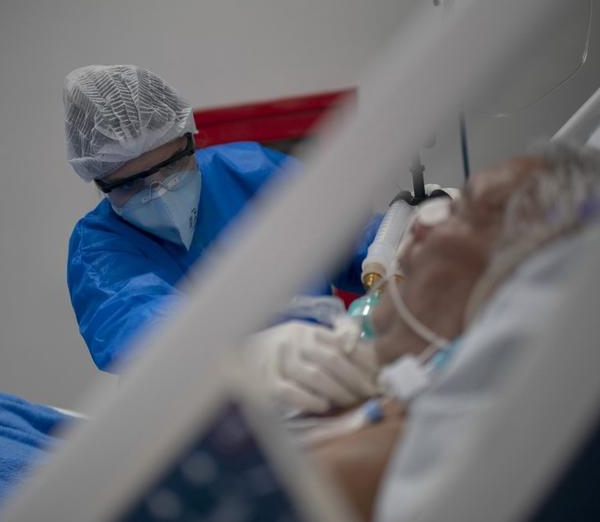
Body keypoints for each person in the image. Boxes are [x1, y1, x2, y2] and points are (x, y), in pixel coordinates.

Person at [303, 142, 600, 522]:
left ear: (509, 282)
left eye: (465, 212)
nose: (420, 223)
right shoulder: (379, 405)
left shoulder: (364, 468)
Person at [64, 65, 375, 369]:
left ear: (192, 141)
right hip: (211, 406)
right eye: (130, 184)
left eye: (171, 167)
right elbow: (135, 328)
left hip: (330, 370)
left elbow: (355, 237)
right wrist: (250, 356)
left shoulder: (253, 170)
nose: (159, 192)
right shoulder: (98, 248)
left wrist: (405, 242)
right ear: (100, 183)